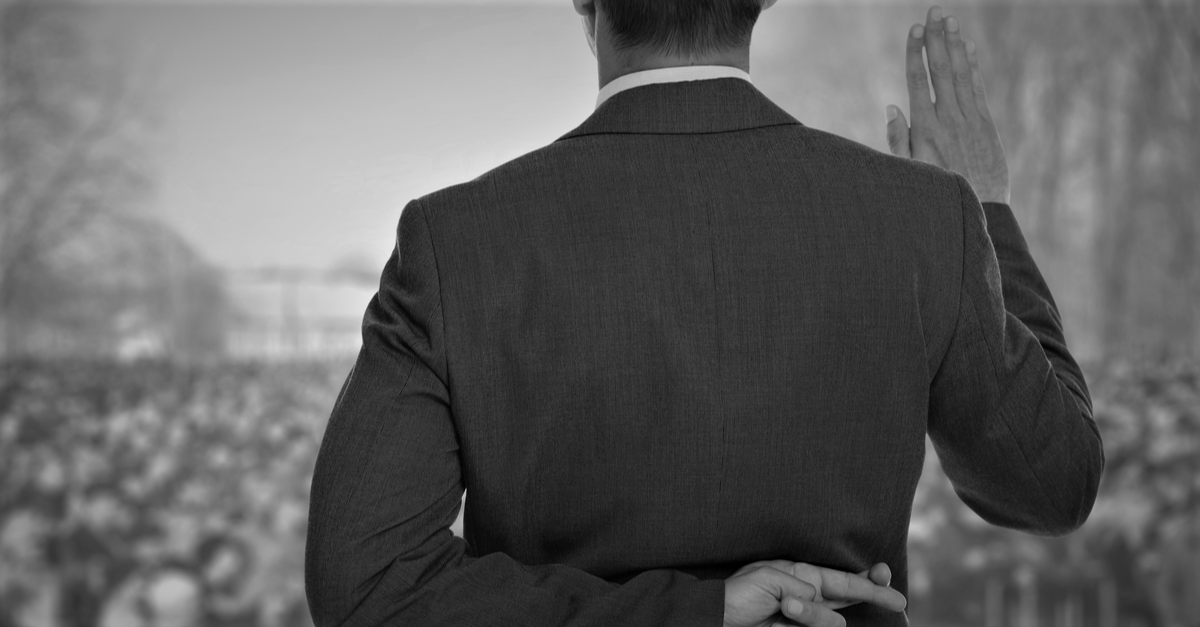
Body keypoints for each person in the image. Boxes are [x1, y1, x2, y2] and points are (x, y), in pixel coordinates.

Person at [305, 1, 1105, 625]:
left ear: (585, 3)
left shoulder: (455, 241)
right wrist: (985, 210)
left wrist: (689, 612)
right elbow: (1052, 482)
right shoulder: (923, 219)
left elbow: (366, 580)